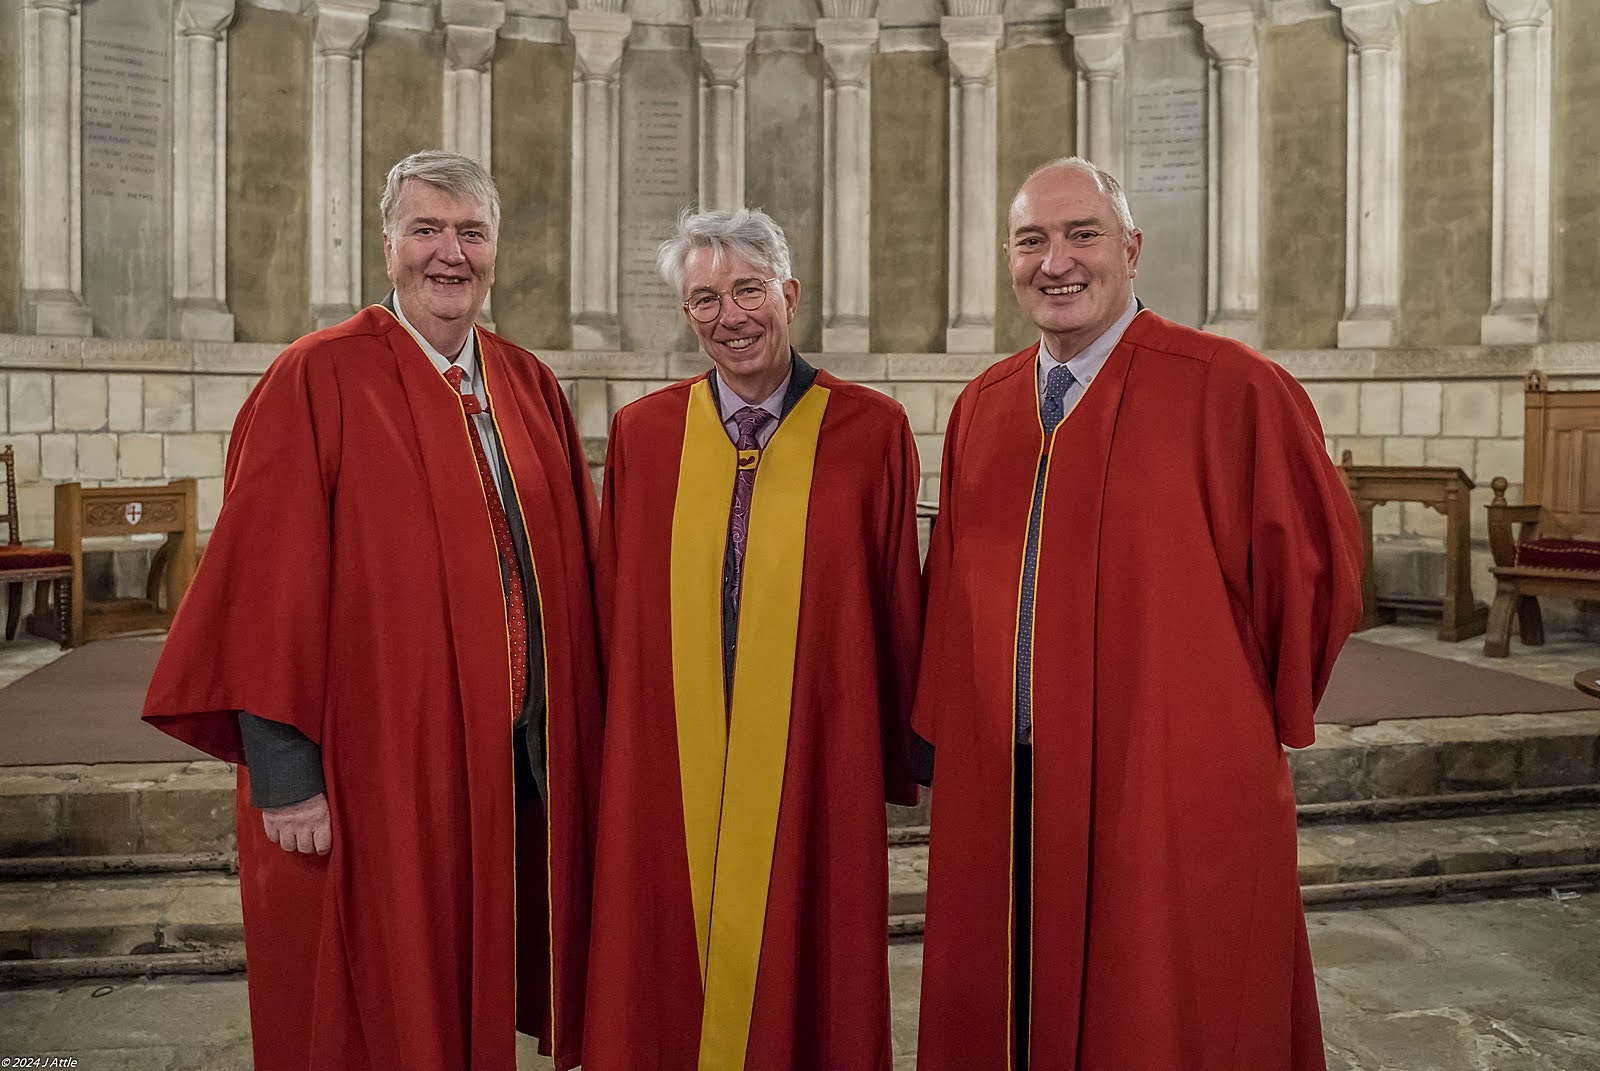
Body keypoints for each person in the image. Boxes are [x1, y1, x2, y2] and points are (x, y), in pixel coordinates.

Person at [142, 150, 603, 1071]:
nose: (450, 253)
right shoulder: (316, 380)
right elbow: (261, 591)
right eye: (427, 229)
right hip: (374, 774)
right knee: (373, 1005)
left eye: (471, 233)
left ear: (495, 250)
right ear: (386, 244)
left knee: (466, 996)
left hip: (511, 772)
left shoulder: (526, 385)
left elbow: (579, 579)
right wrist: (282, 769)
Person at [914, 157, 1362, 1070]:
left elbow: (1314, 576)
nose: (1057, 262)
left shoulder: (1231, 387)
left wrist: (1225, 723)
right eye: (1032, 239)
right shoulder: (984, 407)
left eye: (1083, 235)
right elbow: (950, 596)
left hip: (1168, 782)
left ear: (1132, 248)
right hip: (1013, 785)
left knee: (1165, 1011)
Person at [583, 207, 923, 1071]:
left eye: (747, 290)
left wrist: (898, 752)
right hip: (673, 753)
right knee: (666, 949)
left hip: (816, 745)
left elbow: (894, 604)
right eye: (704, 299)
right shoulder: (646, 434)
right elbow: (616, 605)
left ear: (789, 294)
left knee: (813, 950)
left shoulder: (871, 431)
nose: (729, 316)